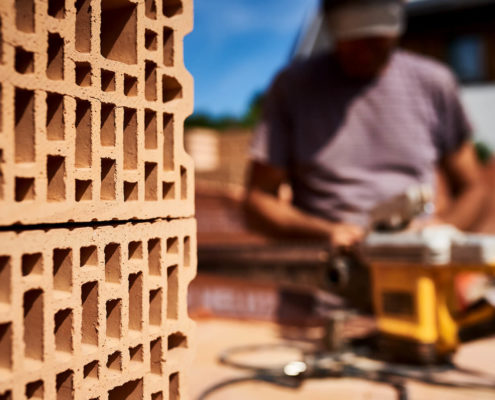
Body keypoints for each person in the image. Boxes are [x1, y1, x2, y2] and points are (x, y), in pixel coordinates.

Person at [245, 0, 487, 249]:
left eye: (374, 40)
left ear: (395, 28)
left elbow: (474, 189)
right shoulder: (293, 87)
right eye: (352, 41)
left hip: (418, 263)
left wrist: (441, 231)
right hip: (327, 267)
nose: (363, 52)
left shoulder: (434, 83)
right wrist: (324, 232)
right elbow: (258, 200)